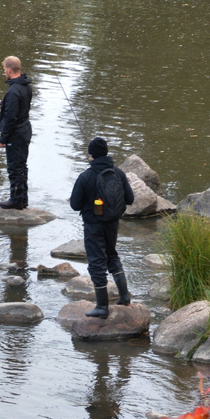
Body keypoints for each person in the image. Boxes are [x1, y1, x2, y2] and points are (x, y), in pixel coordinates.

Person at [70, 136, 134, 318]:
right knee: (112, 255)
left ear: (91, 156)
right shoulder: (118, 173)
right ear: (106, 153)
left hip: (93, 225)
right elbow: (130, 199)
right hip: (113, 223)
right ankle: (124, 297)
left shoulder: (85, 177)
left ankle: (102, 307)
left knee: (97, 263)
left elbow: (74, 205)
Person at [0, 56, 32, 209]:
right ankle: (22, 199)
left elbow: (10, 118)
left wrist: (3, 139)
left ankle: (16, 200)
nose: (4, 73)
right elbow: (19, 106)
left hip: (16, 134)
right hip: (25, 129)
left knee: (15, 167)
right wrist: (4, 103)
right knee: (22, 166)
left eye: (4, 70)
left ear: (8, 69)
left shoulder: (14, 90)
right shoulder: (25, 85)